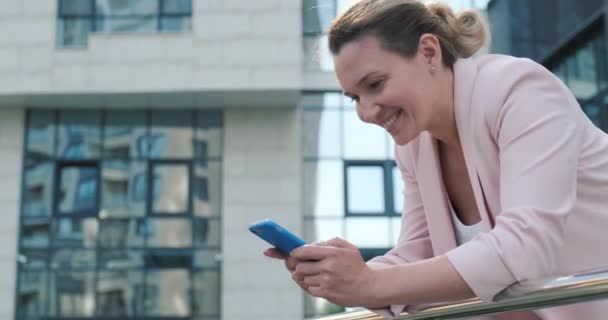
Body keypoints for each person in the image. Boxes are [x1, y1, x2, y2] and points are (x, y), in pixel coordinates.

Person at [264, 0, 608, 319]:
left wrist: (368, 284)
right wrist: (340, 272)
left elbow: (523, 248)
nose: (366, 112)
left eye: (376, 84)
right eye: (354, 97)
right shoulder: (415, 144)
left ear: (429, 52)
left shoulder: (520, 91)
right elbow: (416, 255)